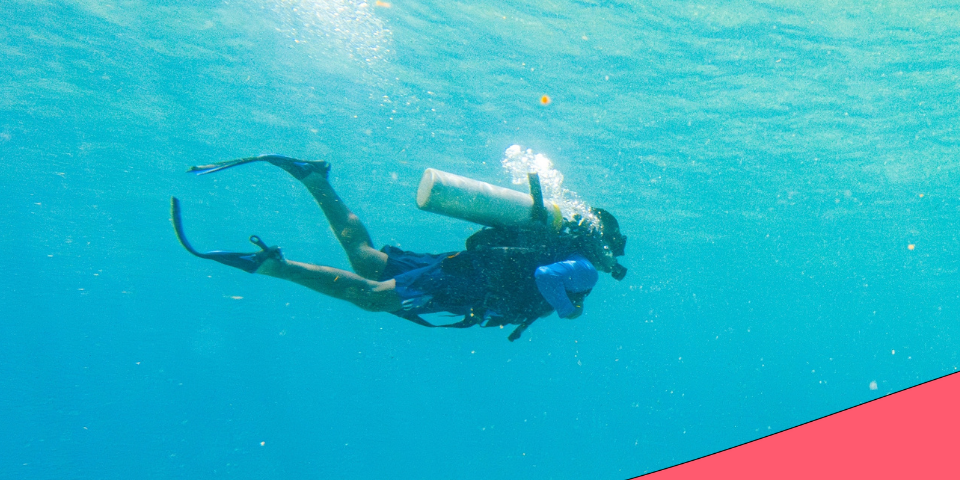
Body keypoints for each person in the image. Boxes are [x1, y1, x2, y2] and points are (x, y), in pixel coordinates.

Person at [170, 154, 627, 341]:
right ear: (602, 244)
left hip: (465, 266)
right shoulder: (585, 270)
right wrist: (569, 311)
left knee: (366, 260)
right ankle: (275, 266)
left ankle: (313, 178)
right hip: (466, 280)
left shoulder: (561, 248)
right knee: (373, 298)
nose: (612, 259)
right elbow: (546, 279)